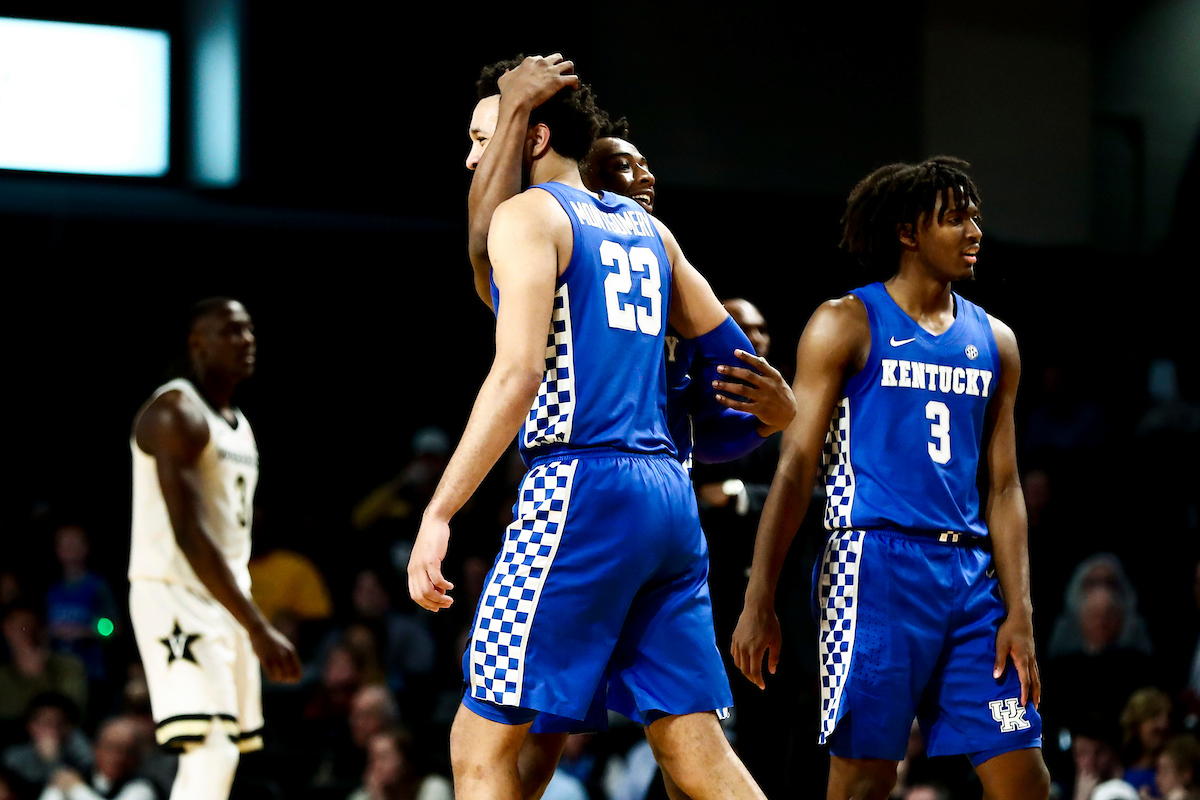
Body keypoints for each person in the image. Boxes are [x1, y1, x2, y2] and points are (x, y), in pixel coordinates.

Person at [410, 70, 768, 800]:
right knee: (693, 746)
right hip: (669, 498)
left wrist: (440, 511)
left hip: (580, 489)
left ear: (533, 136)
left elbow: (516, 376)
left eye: (483, 139)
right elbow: (740, 364)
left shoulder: (530, 217)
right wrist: (780, 414)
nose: (474, 159)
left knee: (479, 745)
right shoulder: (650, 231)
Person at [731, 157, 1051, 799]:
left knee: (1024, 779)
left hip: (969, 577)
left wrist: (1021, 611)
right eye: (954, 218)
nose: (974, 232)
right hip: (871, 567)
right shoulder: (845, 321)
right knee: (864, 782)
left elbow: (1005, 487)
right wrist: (759, 595)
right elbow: (795, 469)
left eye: (975, 218)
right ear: (908, 232)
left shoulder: (997, 340)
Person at [128, 298, 301, 800]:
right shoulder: (175, 412)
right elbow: (188, 534)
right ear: (197, 344)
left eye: (249, 330)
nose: (246, 340)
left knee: (223, 749)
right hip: (175, 590)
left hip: (223, 592)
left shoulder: (236, 422)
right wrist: (258, 627)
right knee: (211, 747)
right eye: (230, 331)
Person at [37, 716, 157, 800]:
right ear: (96, 748)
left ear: (135, 757)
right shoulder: (76, 777)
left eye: (126, 751)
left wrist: (76, 789)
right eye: (110, 747)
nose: (117, 757)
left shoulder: (142, 787)